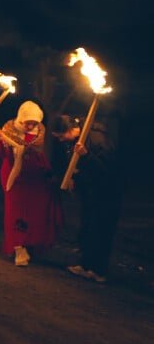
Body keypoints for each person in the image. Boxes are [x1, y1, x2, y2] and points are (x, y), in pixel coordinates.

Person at [52, 115, 121, 282]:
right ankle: (86, 265)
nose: (60, 140)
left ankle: (98, 271)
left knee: (100, 230)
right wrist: (74, 177)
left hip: (106, 193)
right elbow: (76, 163)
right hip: (90, 191)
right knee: (88, 228)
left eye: (61, 136)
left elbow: (106, 169)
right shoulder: (75, 139)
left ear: (70, 130)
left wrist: (86, 155)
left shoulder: (97, 139)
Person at [0, 100, 62, 267]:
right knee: (16, 212)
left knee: (34, 211)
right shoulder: (9, 131)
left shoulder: (40, 133)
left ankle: (30, 244)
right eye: (28, 122)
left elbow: (41, 155)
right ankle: (18, 246)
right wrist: (0, 141)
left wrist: (48, 173)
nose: (30, 126)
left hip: (34, 178)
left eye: (34, 123)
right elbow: (4, 155)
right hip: (15, 177)